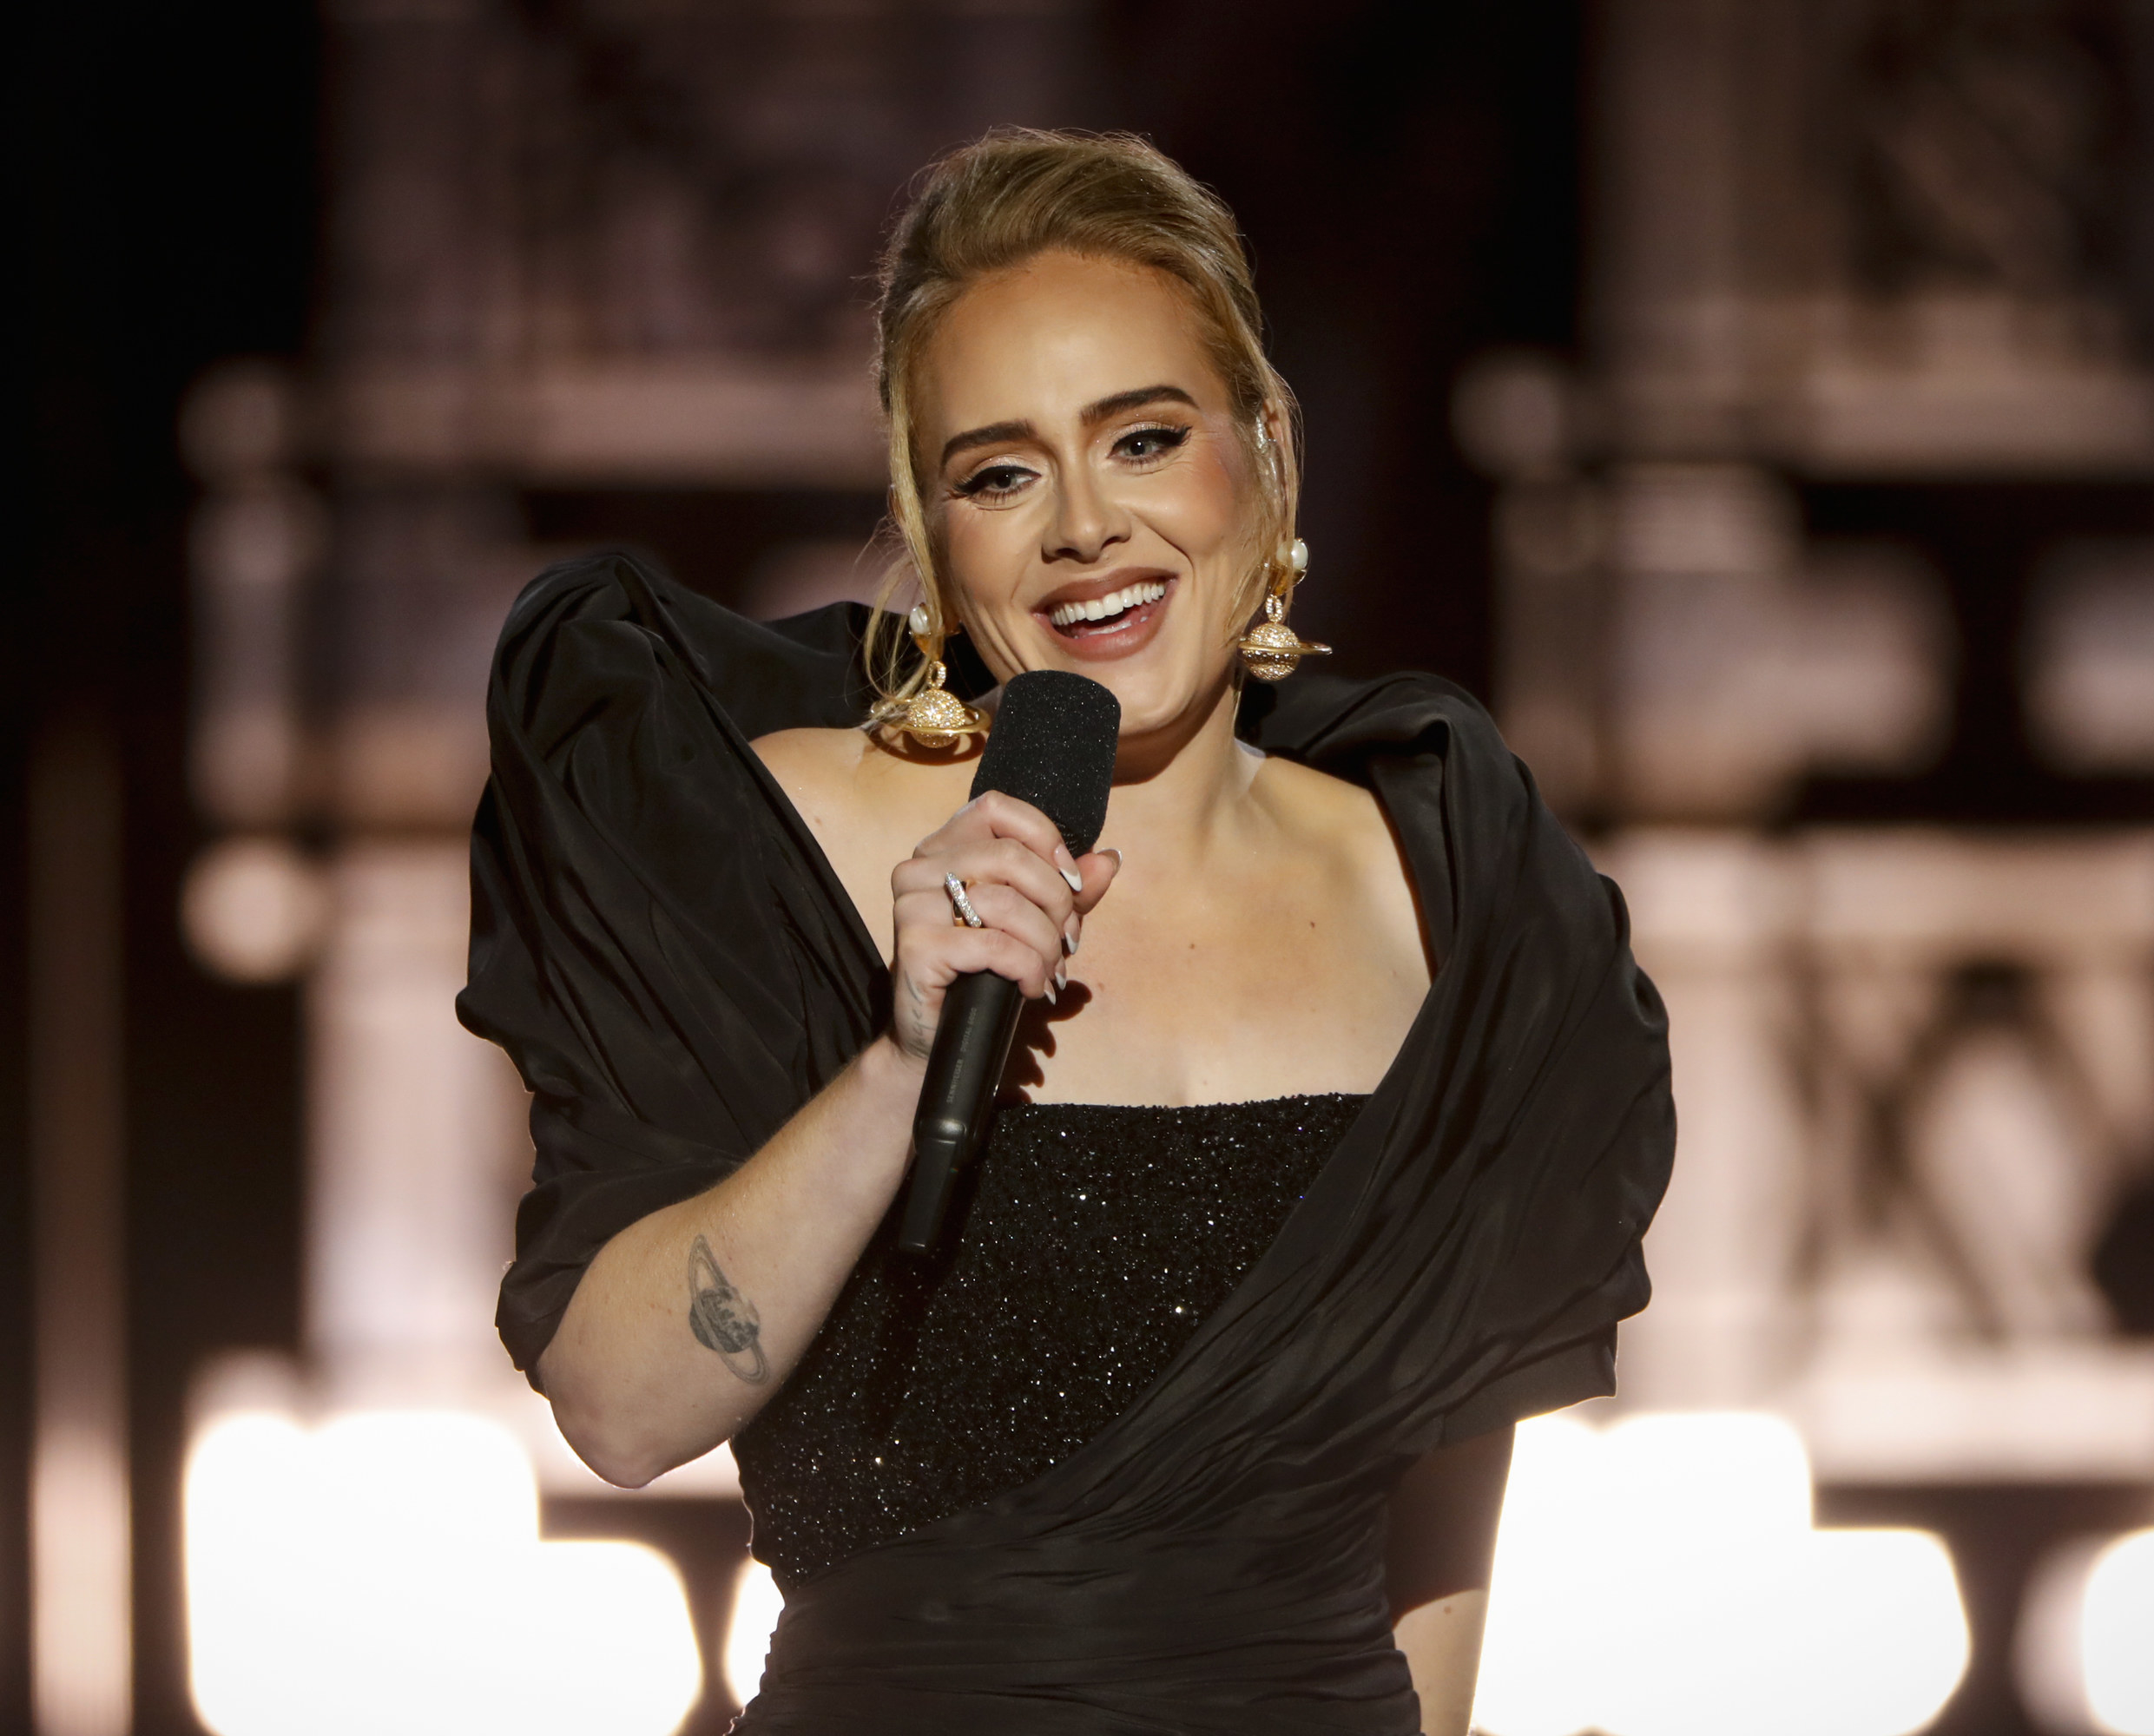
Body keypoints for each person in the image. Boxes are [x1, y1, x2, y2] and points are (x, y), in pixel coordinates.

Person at [458, 130, 1671, 1735]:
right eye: (1001, 473)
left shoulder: (1447, 878)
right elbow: (618, 1407)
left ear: (1267, 454)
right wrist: (898, 1067)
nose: (1086, 527)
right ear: (935, 533)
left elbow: (1446, 1510)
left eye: (1146, 439)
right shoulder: (771, 830)